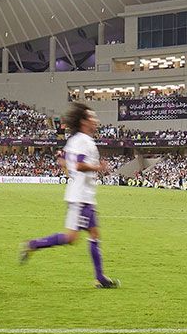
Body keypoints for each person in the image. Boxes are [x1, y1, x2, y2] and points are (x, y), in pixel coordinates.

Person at [18, 102, 119, 288]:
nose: (96, 121)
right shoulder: (83, 141)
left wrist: (70, 169)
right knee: (72, 238)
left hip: (81, 196)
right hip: (81, 198)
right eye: (92, 117)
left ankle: (101, 278)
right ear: (84, 121)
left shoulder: (74, 140)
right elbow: (79, 165)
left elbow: (62, 160)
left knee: (92, 234)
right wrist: (98, 167)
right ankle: (33, 244)